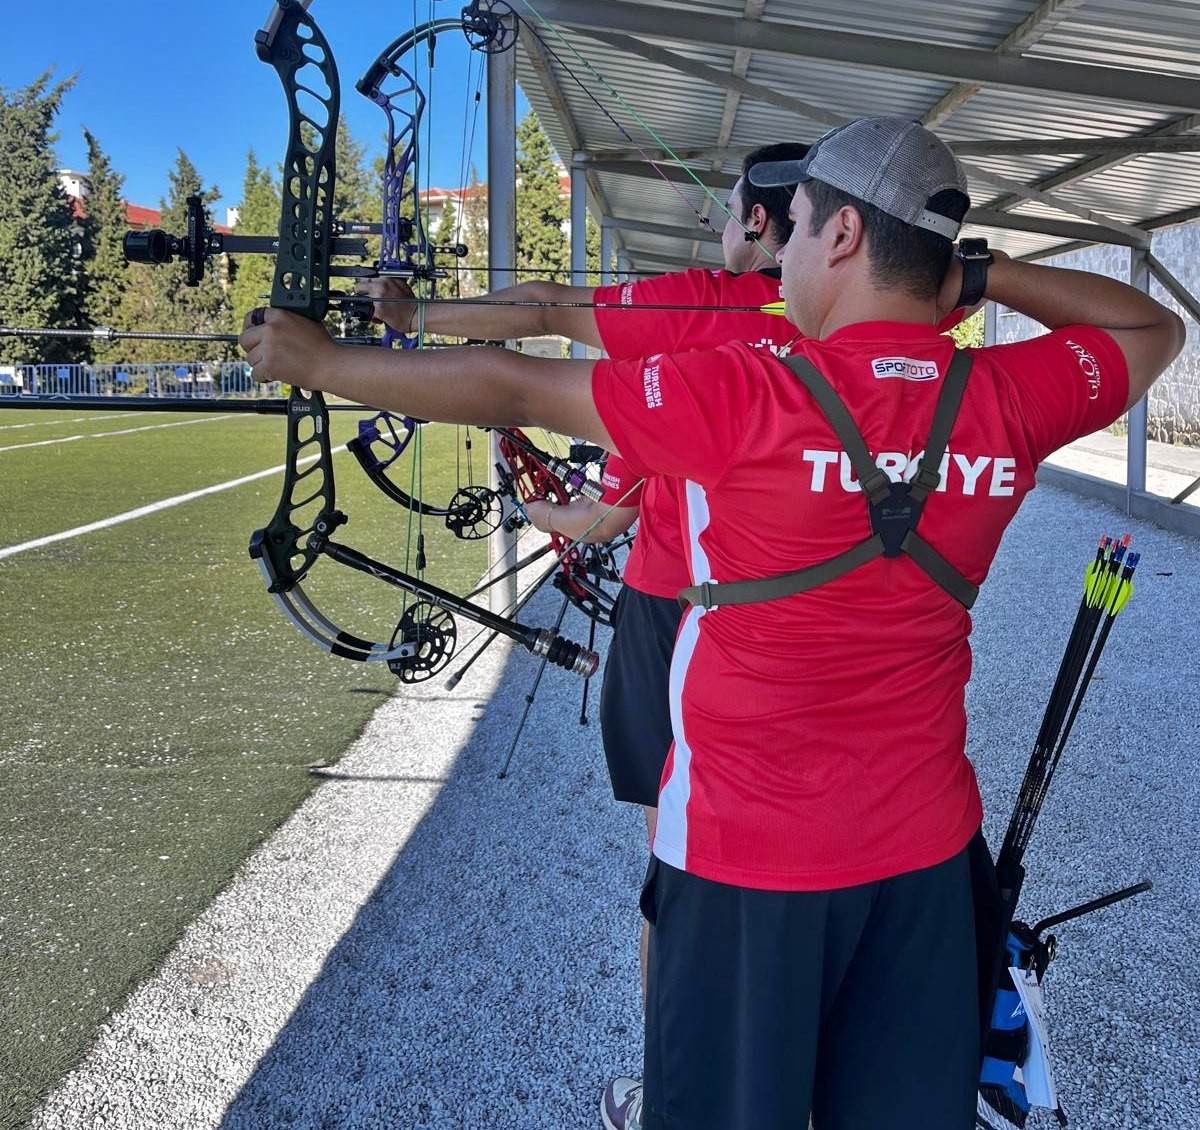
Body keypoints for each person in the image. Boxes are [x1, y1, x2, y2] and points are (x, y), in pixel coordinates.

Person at [242, 116, 1183, 1130]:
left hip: (746, 862)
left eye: (802, 226)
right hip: (923, 862)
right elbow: (1151, 332)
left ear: (843, 238)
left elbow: (512, 381)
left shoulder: (747, 391)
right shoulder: (1004, 395)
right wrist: (981, 279)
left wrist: (321, 362)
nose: (779, 262)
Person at [363, 143, 810, 1128]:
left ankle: (677, 1085)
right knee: (793, 846)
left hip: (686, 611)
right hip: (802, 618)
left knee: (683, 860)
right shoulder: (863, 323)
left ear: (768, 225)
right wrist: (574, 505)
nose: (715, 223)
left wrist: (412, 321)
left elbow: (544, 311)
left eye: (731, 208)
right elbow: (633, 492)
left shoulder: (712, 304)